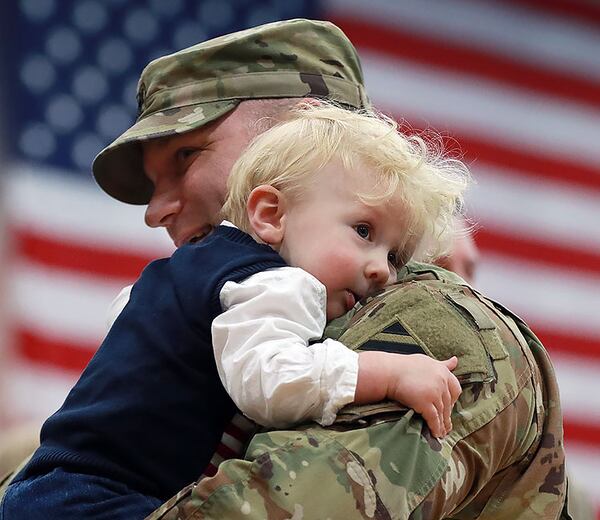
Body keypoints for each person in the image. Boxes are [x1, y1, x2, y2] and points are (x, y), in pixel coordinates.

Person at [0, 18, 568, 519]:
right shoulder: (218, 303)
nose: (156, 211)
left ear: (304, 132)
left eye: (186, 156)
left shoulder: (426, 322)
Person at [0, 101, 468, 518]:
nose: (381, 270)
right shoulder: (276, 283)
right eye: (364, 231)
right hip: (109, 502)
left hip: (42, 486)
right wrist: (385, 373)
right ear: (270, 214)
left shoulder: (177, 271)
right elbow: (273, 382)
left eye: (394, 256)